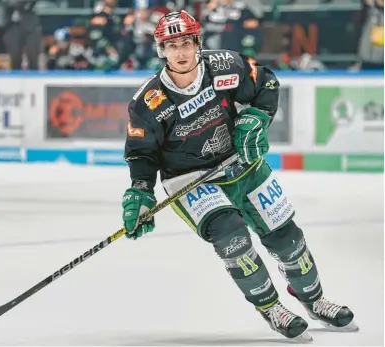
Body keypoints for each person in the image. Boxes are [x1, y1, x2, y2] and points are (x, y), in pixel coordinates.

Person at [122, 10, 358, 342]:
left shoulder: (226, 66)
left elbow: (267, 84)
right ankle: (272, 308)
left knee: (288, 239)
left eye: (186, 43)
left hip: (242, 164)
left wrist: (258, 118)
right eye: (171, 45)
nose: (180, 52)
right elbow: (141, 153)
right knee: (234, 240)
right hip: (190, 182)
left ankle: (315, 300)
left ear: (198, 43)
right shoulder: (148, 102)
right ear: (161, 50)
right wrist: (141, 192)